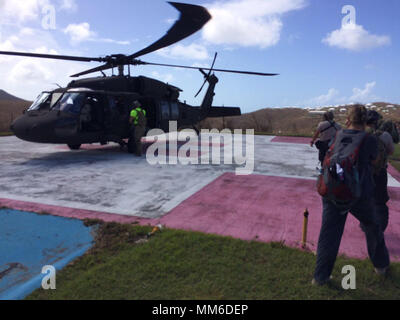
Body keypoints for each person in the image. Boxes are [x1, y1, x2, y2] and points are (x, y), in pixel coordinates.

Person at [313, 105, 390, 285]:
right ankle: (381, 266)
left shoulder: (338, 135)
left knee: (329, 233)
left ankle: (320, 277)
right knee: (373, 226)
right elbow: (375, 161)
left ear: (348, 119)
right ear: (365, 121)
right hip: (358, 194)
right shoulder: (369, 139)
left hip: (332, 189)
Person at [366, 110, 394, 232]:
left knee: (365, 199)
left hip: (364, 172)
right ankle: (380, 228)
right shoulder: (385, 135)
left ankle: (365, 223)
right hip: (380, 172)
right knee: (380, 201)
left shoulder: (362, 133)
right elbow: (391, 151)